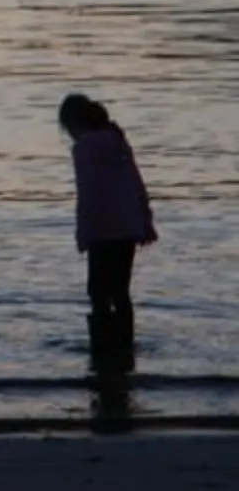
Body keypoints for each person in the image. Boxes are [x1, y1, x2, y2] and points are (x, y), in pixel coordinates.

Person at [61, 93, 156, 362]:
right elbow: (137, 182)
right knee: (121, 292)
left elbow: (88, 194)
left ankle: (102, 351)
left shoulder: (84, 148)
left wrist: (84, 233)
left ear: (72, 123)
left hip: (103, 228)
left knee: (98, 292)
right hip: (128, 226)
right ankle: (126, 347)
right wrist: (145, 220)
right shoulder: (118, 141)